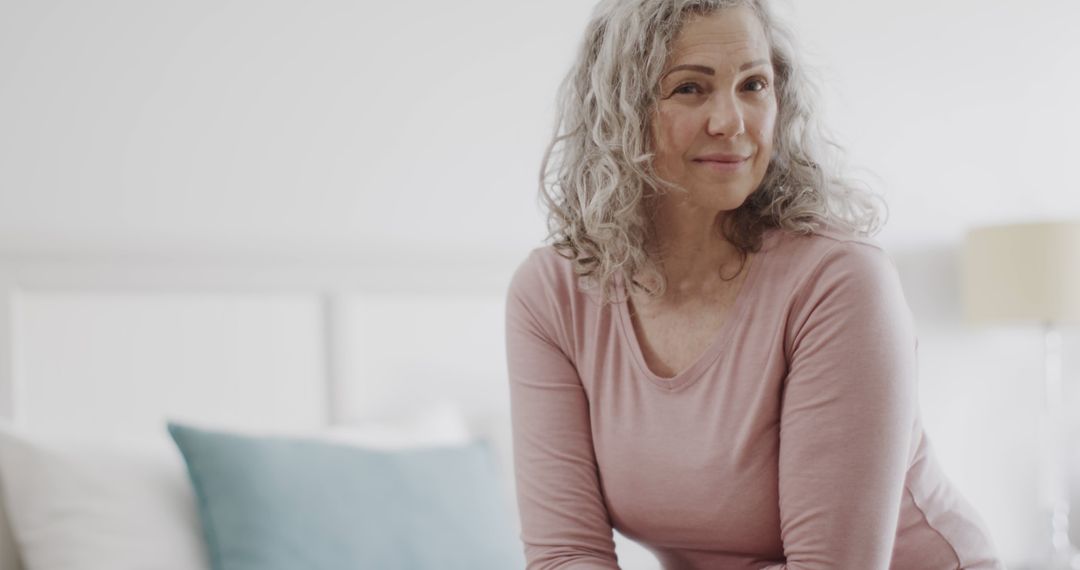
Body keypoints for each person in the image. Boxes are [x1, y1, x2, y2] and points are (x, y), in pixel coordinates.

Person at [503, 1, 1006, 569]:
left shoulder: (839, 282)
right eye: (690, 88)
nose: (732, 121)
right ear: (619, 112)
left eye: (753, 84)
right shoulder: (553, 293)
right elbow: (566, 554)